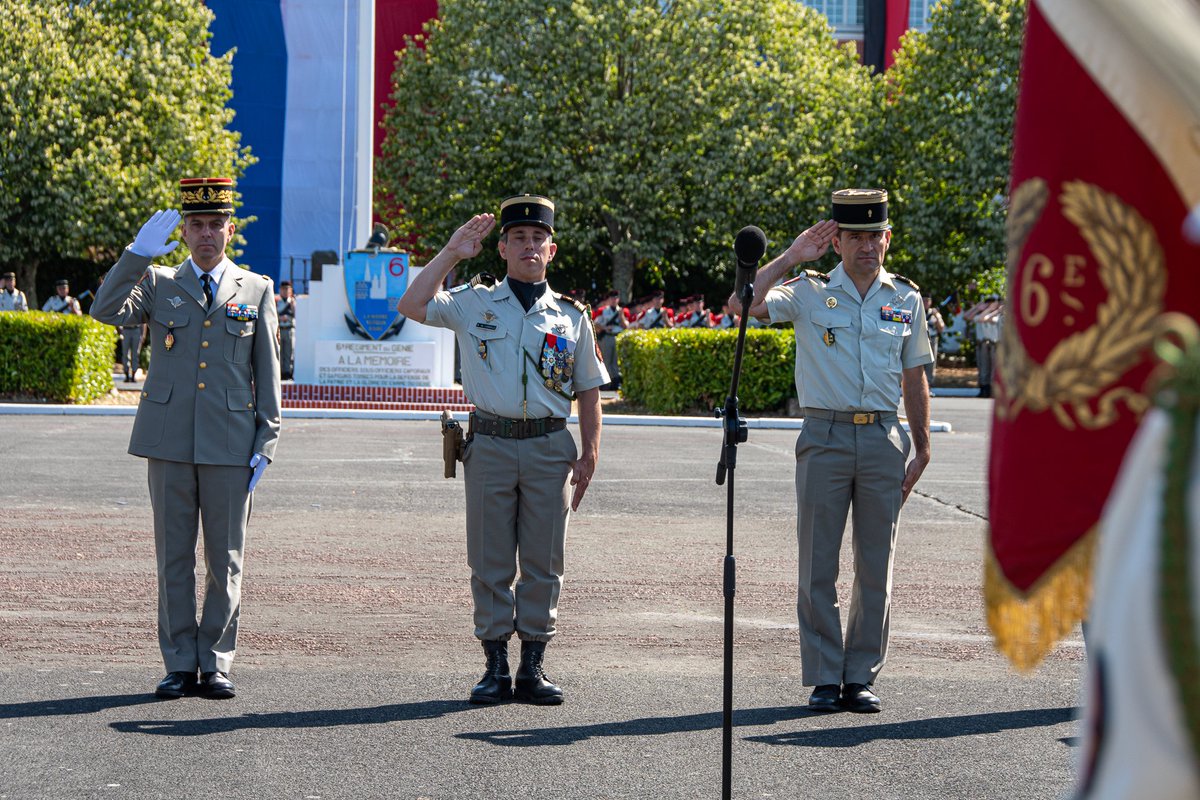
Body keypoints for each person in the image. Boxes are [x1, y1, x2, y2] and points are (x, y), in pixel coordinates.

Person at [398, 194, 607, 706]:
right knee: (490, 559)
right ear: (504, 249)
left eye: (538, 239)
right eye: (518, 238)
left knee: (543, 560)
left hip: (549, 446)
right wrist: (450, 253)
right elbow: (411, 304)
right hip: (490, 444)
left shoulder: (570, 316)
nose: (528, 245)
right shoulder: (474, 302)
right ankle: (494, 667)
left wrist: (590, 452)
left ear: (551, 250)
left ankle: (533, 667)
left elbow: (588, 390)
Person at [729, 188, 932, 714]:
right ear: (836, 241)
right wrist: (792, 256)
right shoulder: (810, 291)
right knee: (818, 561)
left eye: (876, 235)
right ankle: (824, 674)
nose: (868, 245)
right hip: (825, 436)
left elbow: (916, 374)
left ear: (887, 239)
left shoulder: (906, 299)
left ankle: (860, 674)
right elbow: (743, 305)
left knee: (876, 564)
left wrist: (923, 443)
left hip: (885, 437)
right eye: (856, 237)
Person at [90, 177, 282, 700]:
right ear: (184, 230)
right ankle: (178, 662)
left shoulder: (257, 288)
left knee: (225, 561)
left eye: (214, 224)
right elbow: (104, 310)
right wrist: (135, 254)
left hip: (230, 444)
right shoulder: (156, 283)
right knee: (174, 557)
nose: (205, 234)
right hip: (170, 443)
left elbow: (267, 372)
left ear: (230, 229)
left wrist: (267, 440)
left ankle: (216, 661)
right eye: (195, 224)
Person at [593, 289, 626, 389]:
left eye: (616, 298)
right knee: (606, 360)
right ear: (609, 299)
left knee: (616, 360)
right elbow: (595, 323)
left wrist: (621, 316)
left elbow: (626, 326)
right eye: (612, 298)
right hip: (607, 336)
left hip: (618, 336)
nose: (614, 300)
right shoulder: (603, 310)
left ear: (618, 299)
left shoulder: (621, 311)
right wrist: (604, 328)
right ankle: (606, 383)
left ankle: (616, 382)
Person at [923, 295, 945, 394]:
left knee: (931, 363)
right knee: (919, 363)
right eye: (924, 301)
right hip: (921, 339)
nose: (926, 303)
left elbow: (941, 328)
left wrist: (937, 316)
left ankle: (929, 387)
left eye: (928, 301)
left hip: (932, 339)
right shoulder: (918, 311)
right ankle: (920, 388)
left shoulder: (934, 314)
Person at [276, 281, 297, 380]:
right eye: (283, 289)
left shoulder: (293, 301)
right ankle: (279, 373)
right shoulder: (276, 302)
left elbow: (297, 314)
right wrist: (280, 318)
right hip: (280, 329)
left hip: (289, 329)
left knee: (289, 352)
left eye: (287, 289)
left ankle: (288, 372)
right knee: (279, 352)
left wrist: (293, 304)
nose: (285, 291)